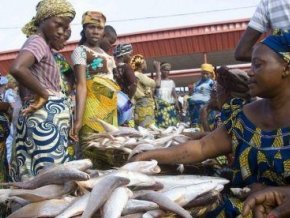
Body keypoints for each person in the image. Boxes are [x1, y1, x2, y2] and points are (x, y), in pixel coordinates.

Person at [130, 30, 290, 217]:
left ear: (286, 68)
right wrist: (146, 156)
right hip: (244, 208)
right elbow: (201, 147)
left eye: (258, 65)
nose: (250, 71)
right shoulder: (244, 117)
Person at [9, 0, 75, 181]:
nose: (62, 31)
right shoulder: (37, 42)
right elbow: (17, 68)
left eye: (66, 27)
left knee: (38, 173)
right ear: (43, 19)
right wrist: (44, 94)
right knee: (49, 174)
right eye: (59, 24)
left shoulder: (44, 46)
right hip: (45, 123)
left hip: (46, 121)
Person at [70, 11, 122, 169]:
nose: (95, 31)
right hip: (91, 108)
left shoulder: (106, 55)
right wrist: (78, 120)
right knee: (92, 146)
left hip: (109, 109)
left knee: (108, 146)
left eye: (99, 28)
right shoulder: (81, 51)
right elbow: (81, 85)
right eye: (91, 27)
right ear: (84, 29)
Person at [130, 54, 161, 128]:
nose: (146, 65)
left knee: (142, 129)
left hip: (140, 106)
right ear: (141, 65)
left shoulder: (134, 74)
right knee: (147, 130)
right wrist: (158, 70)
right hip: (144, 107)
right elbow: (158, 84)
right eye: (145, 63)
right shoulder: (139, 75)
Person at [113, 43, 137, 126]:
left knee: (117, 123)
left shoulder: (113, 68)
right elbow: (133, 84)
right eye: (129, 55)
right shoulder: (127, 67)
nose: (131, 57)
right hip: (124, 101)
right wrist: (129, 99)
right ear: (123, 56)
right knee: (127, 122)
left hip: (114, 100)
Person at [188, 63, 215, 127]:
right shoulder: (197, 83)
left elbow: (215, 95)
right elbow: (192, 93)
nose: (204, 75)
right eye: (203, 73)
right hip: (194, 107)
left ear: (210, 74)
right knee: (195, 125)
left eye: (207, 74)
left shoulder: (212, 83)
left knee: (204, 124)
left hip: (204, 107)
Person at [155, 62, 180, 128]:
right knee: (160, 126)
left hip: (170, 107)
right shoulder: (157, 82)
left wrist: (176, 103)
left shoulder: (171, 82)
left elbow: (174, 95)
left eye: (169, 70)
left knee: (171, 127)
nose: (167, 72)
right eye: (165, 70)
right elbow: (153, 94)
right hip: (160, 108)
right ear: (161, 70)